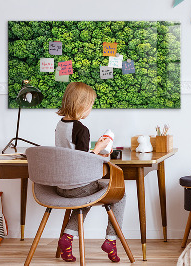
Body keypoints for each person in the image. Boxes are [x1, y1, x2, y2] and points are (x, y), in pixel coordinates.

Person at [55, 82, 125, 263]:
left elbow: (72, 154)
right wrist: (100, 148)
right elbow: (82, 161)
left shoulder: (60, 125)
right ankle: (111, 240)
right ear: (82, 105)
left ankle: (67, 238)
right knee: (120, 194)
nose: (90, 109)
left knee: (85, 197)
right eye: (91, 105)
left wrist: (95, 150)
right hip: (78, 186)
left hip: (61, 186)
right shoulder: (81, 129)